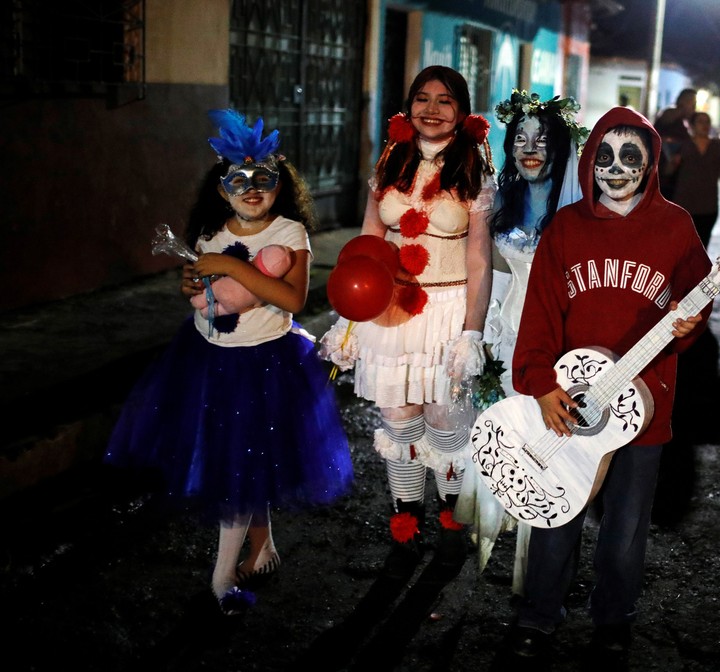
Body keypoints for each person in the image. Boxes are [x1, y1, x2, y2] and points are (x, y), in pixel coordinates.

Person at [104, 109, 354, 615]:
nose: (251, 189)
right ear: (222, 190)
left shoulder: (290, 234)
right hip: (206, 361)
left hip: (264, 365)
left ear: (279, 185)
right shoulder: (210, 235)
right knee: (242, 459)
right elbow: (204, 291)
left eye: (263, 179)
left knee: (242, 463)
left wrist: (230, 267)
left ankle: (221, 579)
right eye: (238, 181)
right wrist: (193, 284)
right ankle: (261, 547)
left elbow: (293, 300)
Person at [505, 106, 711, 660]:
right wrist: (542, 384)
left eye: (631, 157)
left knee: (625, 526)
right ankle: (538, 615)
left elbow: (696, 304)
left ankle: (613, 618)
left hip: (644, 408)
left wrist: (692, 324)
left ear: (651, 165)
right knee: (558, 513)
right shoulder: (566, 228)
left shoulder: (676, 228)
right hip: (572, 403)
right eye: (605, 155)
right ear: (589, 159)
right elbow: (540, 315)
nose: (616, 167)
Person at [319, 66, 496, 578]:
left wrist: (472, 331)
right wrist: (348, 323)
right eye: (422, 98)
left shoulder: (473, 170)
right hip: (392, 308)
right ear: (408, 106)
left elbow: (479, 259)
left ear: (462, 111)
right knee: (399, 421)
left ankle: (451, 520)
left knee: (444, 424)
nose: (432, 109)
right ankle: (405, 520)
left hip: (446, 309)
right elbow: (367, 247)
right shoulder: (389, 162)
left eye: (445, 100)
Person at [454, 90, 586, 585]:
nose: (530, 149)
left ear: (561, 149)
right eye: (521, 139)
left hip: (557, 343)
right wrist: (480, 334)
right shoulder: (497, 202)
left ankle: (542, 564)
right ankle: (503, 524)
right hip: (508, 335)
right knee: (509, 435)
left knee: (552, 445)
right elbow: (487, 272)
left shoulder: (576, 214)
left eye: (543, 140)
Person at [670, 110, 720, 248]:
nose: (704, 125)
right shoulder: (683, 145)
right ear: (692, 125)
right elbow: (667, 172)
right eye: (700, 121)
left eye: (707, 122)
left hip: (708, 204)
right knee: (681, 247)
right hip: (684, 204)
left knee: (701, 246)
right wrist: (673, 162)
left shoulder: (717, 146)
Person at [653, 88, 697, 201]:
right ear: (682, 102)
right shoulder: (671, 114)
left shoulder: (685, 122)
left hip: (676, 179)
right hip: (664, 177)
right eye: (692, 103)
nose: (694, 108)